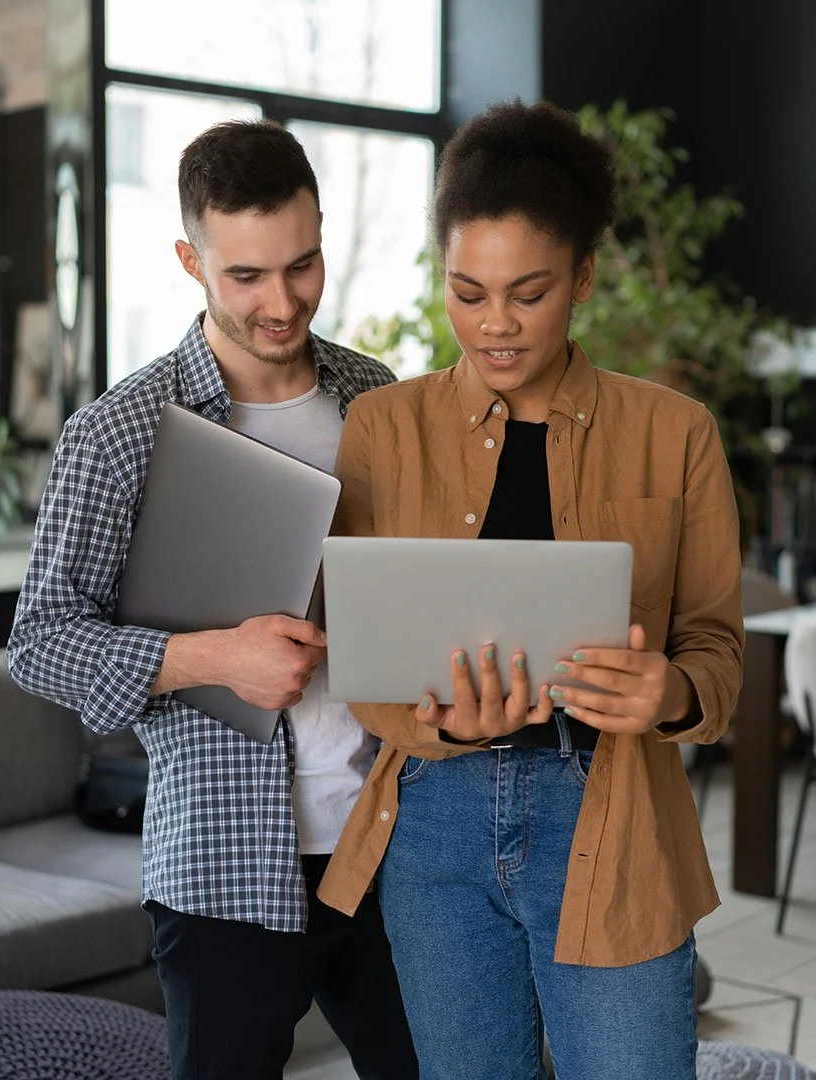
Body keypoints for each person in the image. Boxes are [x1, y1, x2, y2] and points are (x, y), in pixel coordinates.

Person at [318, 100, 744, 1080]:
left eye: (527, 292)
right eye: (467, 292)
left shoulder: (674, 432)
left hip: (613, 814)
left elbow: (717, 652)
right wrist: (444, 724)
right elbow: (361, 648)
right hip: (432, 829)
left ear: (583, 278)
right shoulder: (383, 429)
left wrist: (668, 692)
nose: (494, 325)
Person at [8, 119, 418, 1080]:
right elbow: (39, 642)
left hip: (390, 846)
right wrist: (214, 658)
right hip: (223, 868)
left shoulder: (382, 399)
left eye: (303, 263)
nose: (283, 302)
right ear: (191, 259)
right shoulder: (118, 435)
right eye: (246, 276)